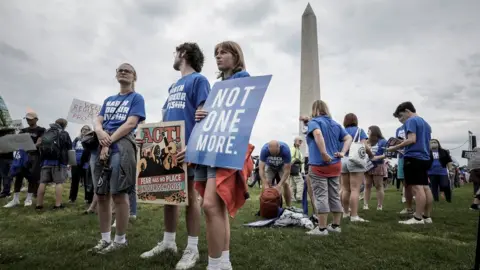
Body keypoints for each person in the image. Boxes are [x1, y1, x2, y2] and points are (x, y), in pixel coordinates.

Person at [140, 43, 208, 270]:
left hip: (187, 148)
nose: (174, 56)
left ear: (184, 55)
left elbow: (204, 115)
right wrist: (149, 140)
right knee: (168, 195)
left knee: (189, 196)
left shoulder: (199, 80)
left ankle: (192, 248)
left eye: (175, 52)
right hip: (168, 146)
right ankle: (168, 242)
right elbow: (165, 117)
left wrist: (192, 146)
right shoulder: (173, 85)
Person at [193, 41, 251, 270]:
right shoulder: (218, 86)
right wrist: (201, 114)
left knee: (209, 205)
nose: (218, 56)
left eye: (224, 52)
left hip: (225, 147)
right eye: (216, 53)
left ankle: (214, 264)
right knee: (215, 207)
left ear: (236, 56)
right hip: (210, 146)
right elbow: (211, 117)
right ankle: (223, 263)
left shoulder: (243, 78)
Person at [88, 63, 145, 254]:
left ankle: (120, 240)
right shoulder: (109, 99)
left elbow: (130, 124)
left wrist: (107, 142)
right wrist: (99, 131)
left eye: (127, 70)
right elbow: (98, 120)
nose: (123, 72)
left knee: (119, 193)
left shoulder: (137, 98)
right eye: (120, 70)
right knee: (101, 194)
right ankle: (105, 239)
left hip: (121, 145)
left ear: (134, 76)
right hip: (102, 143)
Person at [305, 100, 352, 236]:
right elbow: (348, 138)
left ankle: (321, 228)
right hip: (335, 164)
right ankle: (336, 225)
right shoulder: (335, 124)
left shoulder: (314, 122)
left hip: (319, 165)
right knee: (334, 195)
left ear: (314, 110)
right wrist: (343, 152)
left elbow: (318, 134)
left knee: (320, 196)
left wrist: (324, 153)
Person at [387, 101, 433, 224]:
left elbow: (412, 139)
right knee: (426, 188)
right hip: (425, 157)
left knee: (417, 188)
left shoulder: (411, 121)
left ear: (408, 111)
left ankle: (417, 218)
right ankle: (427, 216)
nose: (400, 120)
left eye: (401, 116)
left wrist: (394, 148)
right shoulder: (425, 123)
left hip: (413, 157)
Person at [4, 112, 46, 208]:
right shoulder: (23, 130)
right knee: (18, 176)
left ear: (36, 119)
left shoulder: (41, 130)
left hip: (34, 156)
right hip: (22, 156)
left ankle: (28, 198)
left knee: (32, 177)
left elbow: (39, 142)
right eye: (27, 119)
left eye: (30, 119)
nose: (28, 120)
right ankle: (15, 199)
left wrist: (29, 147)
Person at [35, 118, 72, 209]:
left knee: (42, 182)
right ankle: (58, 204)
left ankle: (39, 204)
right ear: (65, 125)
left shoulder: (46, 132)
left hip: (45, 162)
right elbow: (70, 147)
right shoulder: (64, 133)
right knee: (59, 183)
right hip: (59, 162)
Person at [340, 113, 370, 222]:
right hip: (355, 160)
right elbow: (364, 146)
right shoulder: (360, 130)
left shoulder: (341, 131)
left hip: (343, 160)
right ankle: (354, 215)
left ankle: (345, 212)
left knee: (345, 189)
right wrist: (371, 155)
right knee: (355, 189)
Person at [259, 140, 292, 207]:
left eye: (276, 153)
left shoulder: (286, 150)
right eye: (272, 153)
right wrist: (265, 183)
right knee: (266, 183)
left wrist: (279, 185)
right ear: (268, 148)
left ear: (279, 147)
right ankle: (263, 206)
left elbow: (287, 171)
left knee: (286, 184)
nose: (274, 155)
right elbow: (261, 169)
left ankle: (289, 206)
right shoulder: (264, 150)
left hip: (282, 166)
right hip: (270, 166)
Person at [363, 126, 387, 211]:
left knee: (378, 185)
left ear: (374, 131)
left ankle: (379, 205)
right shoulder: (366, 141)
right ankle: (365, 205)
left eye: (369, 131)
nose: (367, 133)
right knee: (367, 185)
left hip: (378, 165)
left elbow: (386, 154)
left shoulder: (383, 141)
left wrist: (376, 157)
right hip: (367, 166)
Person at [70, 125, 91, 203]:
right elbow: (72, 149)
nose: (84, 131)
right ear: (81, 130)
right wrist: (71, 161)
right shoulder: (76, 139)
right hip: (76, 162)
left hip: (86, 163)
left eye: (87, 129)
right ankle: (72, 198)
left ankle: (88, 198)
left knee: (87, 182)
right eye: (83, 129)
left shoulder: (90, 140)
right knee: (74, 181)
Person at [289, 136, 304, 201]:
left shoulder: (297, 149)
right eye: (299, 141)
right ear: (295, 141)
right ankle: (299, 197)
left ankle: (292, 198)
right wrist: (297, 160)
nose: (301, 142)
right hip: (295, 168)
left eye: (301, 141)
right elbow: (291, 158)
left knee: (292, 184)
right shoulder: (293, 149)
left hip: (292, 169)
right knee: (300, 182)